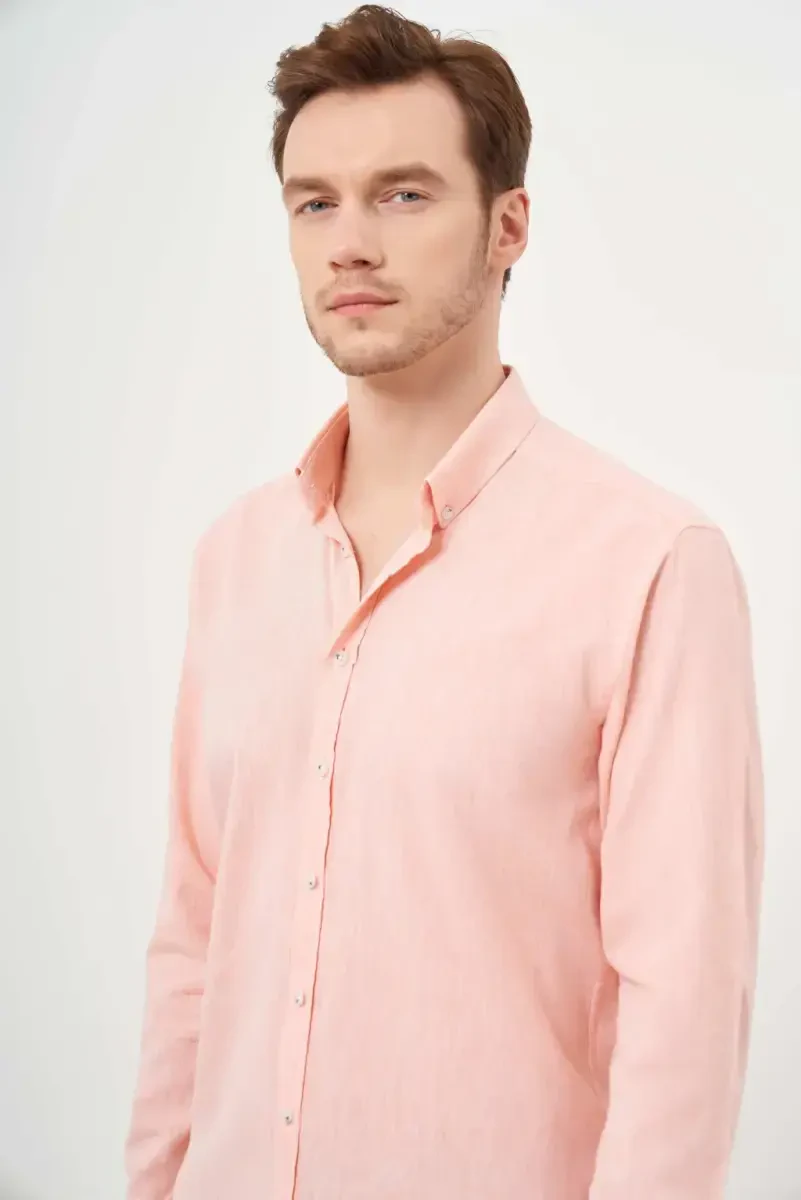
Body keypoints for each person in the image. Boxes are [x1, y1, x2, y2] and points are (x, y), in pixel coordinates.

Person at [123, 6, 764, 1198]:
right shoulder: (236, 560)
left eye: (403, 195)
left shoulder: (650, 565)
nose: (350, 245)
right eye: (315, 203)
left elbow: (682, 1016)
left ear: (508, 224)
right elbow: (192, 945)